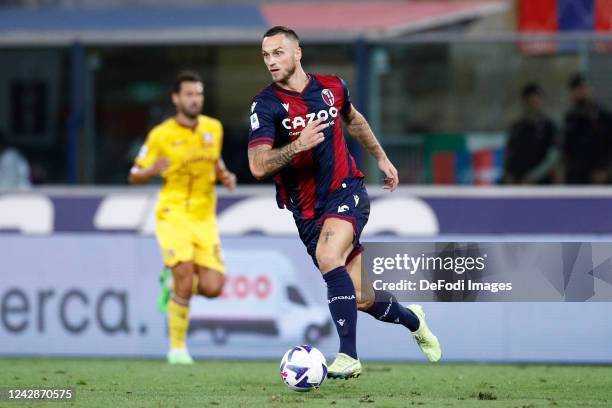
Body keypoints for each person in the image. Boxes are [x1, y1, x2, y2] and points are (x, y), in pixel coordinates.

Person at [247, 26, 441, 379]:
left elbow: (354, 120)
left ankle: (348, 356)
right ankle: (414, 320)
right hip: (306, 213)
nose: (271, 61)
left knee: (328, 256)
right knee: (362, 298)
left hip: (346, 191)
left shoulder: (332, 87)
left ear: (297, 53)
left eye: (278, 53)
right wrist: (296, 146)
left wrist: (381, 158)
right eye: (265, 55)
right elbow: (257, 165)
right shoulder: (266, 105)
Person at [129, 71, 237, 364]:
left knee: (214, 287)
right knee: (186, 279)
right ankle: (177, 349)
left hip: (204, 217)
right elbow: (134, 173)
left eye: (199, 94)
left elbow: (215, 160)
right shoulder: (160, 135)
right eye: (189, 94)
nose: (195, 99)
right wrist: (151, 171)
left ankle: (172, 284)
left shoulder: (213, 128)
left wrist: (224, 175)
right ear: (176, 98)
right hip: (173, 213)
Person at [504, 83, 559, 184]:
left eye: (537, 99)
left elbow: (552, 157)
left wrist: (531, 177)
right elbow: (510, 154)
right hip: (518, 183)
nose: (534, 103)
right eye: (531, 100)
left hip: (542, 184)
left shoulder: (549, 127)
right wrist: (509, 175)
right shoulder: (516, 127)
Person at [563, 74, 612, 184]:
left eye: (583, 88)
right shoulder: (570, 119)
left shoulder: (605, 117)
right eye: (577, 90)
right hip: (576, 179)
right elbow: (566, 150)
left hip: (602, 179)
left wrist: (607, 170)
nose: (581, 93)